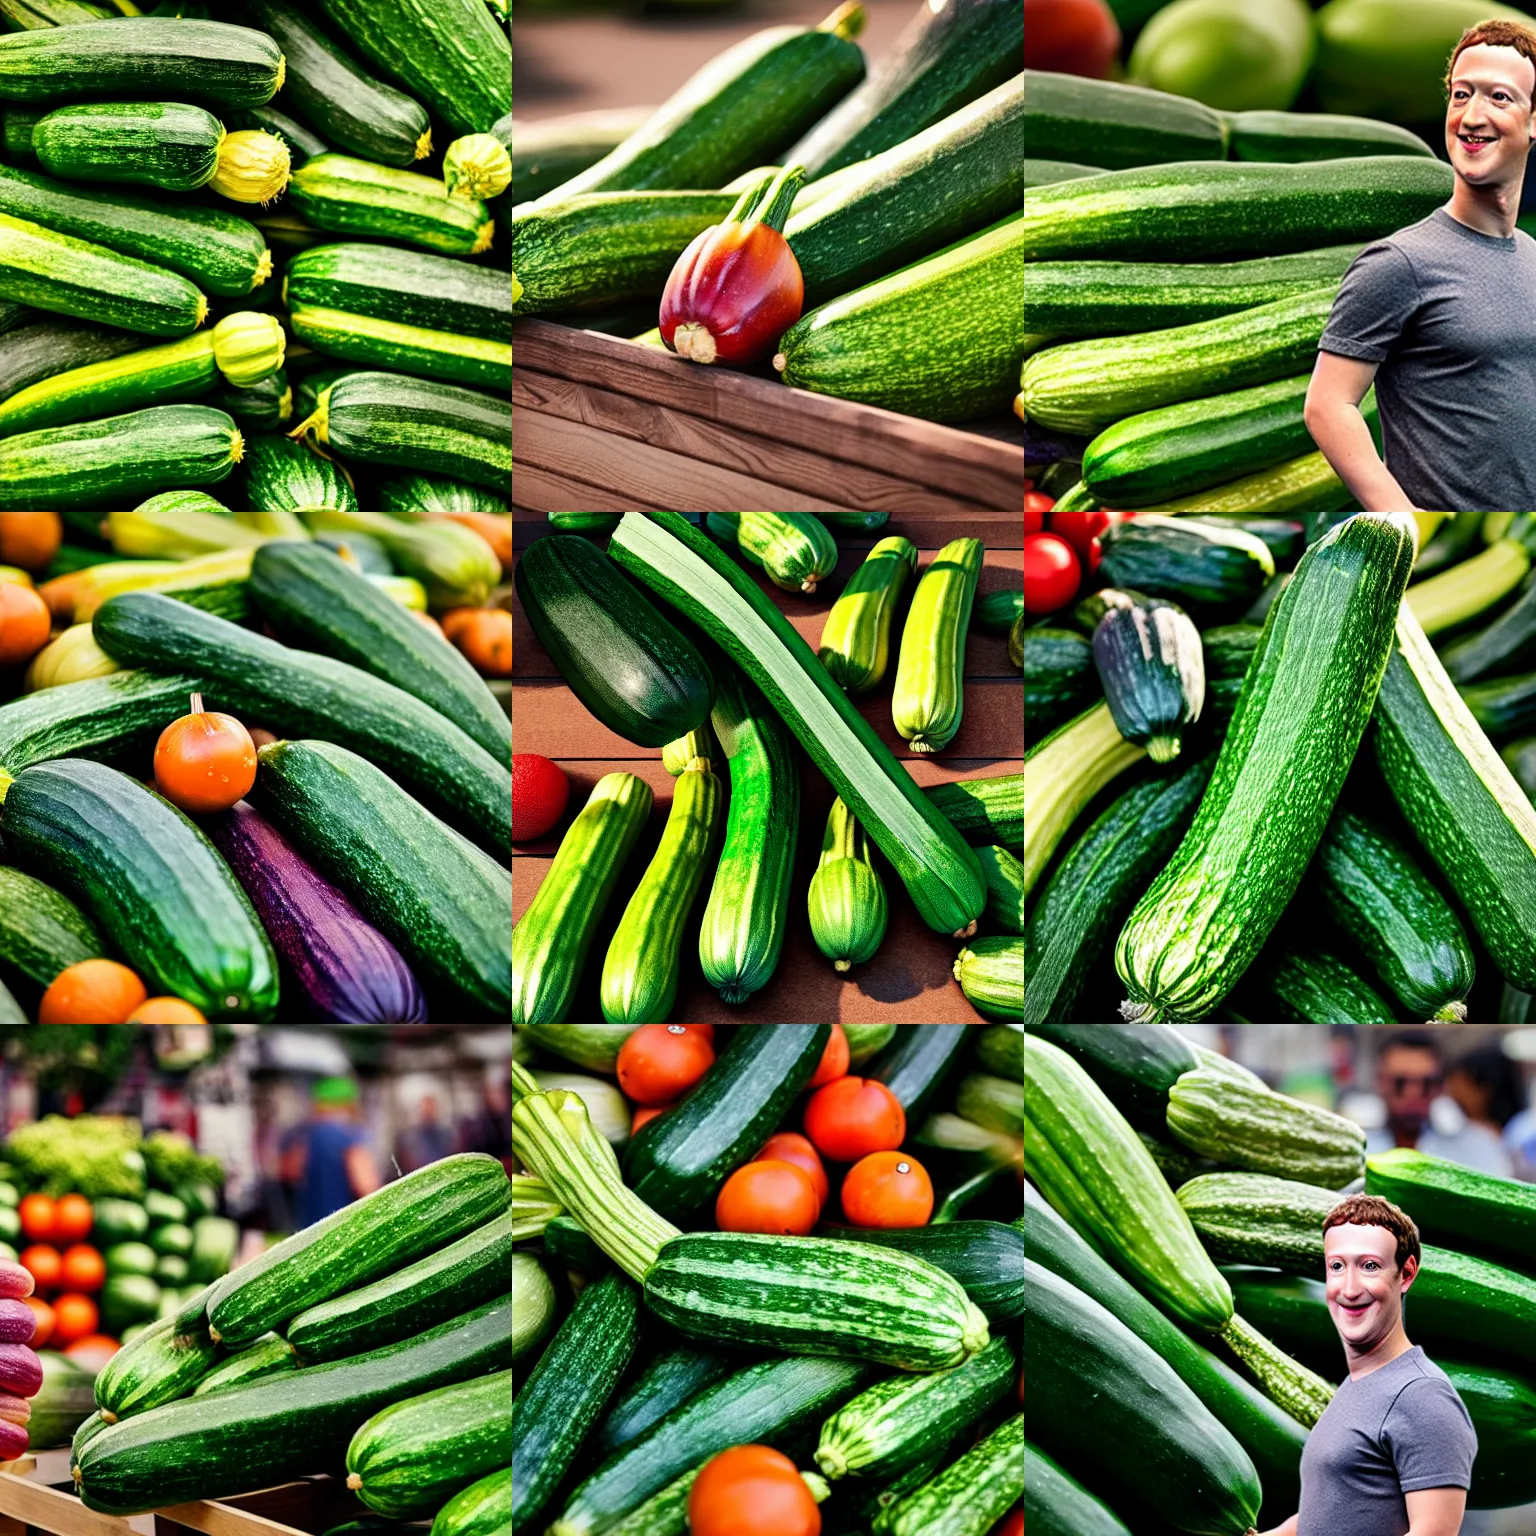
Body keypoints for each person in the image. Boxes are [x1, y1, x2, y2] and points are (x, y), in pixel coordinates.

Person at [1303, 19, 1536, 512]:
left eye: (1499, 97)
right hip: (1442, 544)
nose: (1472, 115)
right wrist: (1401, 520)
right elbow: (1327, 406)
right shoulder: (1400, 262)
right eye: (1460, 94)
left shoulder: (1533, 257)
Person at [1256, 1193, 1476, 1536]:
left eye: (1369, 1266)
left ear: (1405, 1274)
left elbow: (1434, 1533)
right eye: (1337, 1267)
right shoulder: (1358, 1384)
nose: (1350, 1288)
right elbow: (1329, 1514)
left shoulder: (1423, 1396)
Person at [1365, 1032, 1510, 1177]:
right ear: (1379, 1082)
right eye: (1400, 1082)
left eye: (1427, 1083)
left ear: (1441, 1086)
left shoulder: (1479, 1145)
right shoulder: (1358, 1142)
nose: (1413, 1093)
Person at [280, 1076, 382, 1226]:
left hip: (308, 1229)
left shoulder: (303, 1137)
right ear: (347, 1103)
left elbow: (288, 1173)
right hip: (343, 1227)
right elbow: (366, 1185)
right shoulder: (351, 1135)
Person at [396, 1092, 454, 1173]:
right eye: (425, 1108)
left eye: (431, 1107)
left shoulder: (447, 1135)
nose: (428, 1111)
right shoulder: (407, 1139)